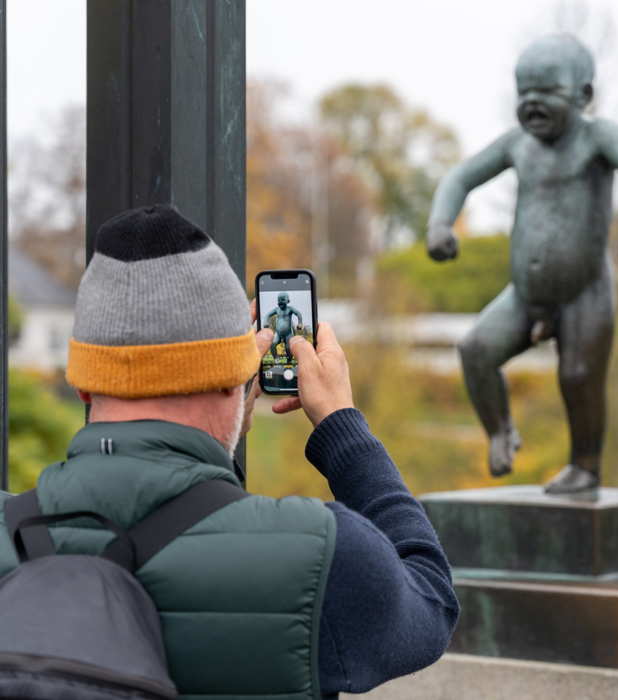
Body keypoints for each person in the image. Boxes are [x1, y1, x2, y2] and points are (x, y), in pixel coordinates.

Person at [0, 205, 459, 700]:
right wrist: (342, 426)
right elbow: (432, 601)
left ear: (85, 389)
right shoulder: (319, 552)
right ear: (237, 379)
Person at [426, 34, 618, 494]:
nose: (532, 102)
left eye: (547, 91)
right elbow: (460, 176)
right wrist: (440, 224)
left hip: (585, 292)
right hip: (525, 296)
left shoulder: (598, 138)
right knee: (475, 350)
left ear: (583, 94)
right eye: (523, 92)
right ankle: (501, 430)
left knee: (578, 377)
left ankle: (586, 465)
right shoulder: (518, 145)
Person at [264, 291, 304, 364]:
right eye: (279, 300)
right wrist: (265, 322)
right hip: (279, 334)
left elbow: (298, 314)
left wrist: (300, 323)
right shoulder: (277, 310)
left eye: (283, 300)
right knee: (272, 344)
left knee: (288, 348)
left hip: (288, 333)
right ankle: (276, 359)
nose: (280, 302)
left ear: (288, 301)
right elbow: (267, 315)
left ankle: (289, 361)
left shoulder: (290, 309)